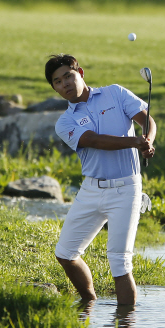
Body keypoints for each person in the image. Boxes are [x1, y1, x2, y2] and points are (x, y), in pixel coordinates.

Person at [45, 54, 156, 306]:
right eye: (58, 82)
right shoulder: (65, 122)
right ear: (54, 88)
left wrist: (147, 139)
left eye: (68, 76)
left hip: (126, 188)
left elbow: (147, 120)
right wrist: (134, 142)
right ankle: (89, 302)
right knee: (65, 254)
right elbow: (94, 141)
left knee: (119, 260)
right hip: (91, 190)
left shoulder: (115, 93)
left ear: (80, 73)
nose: (65, 84)